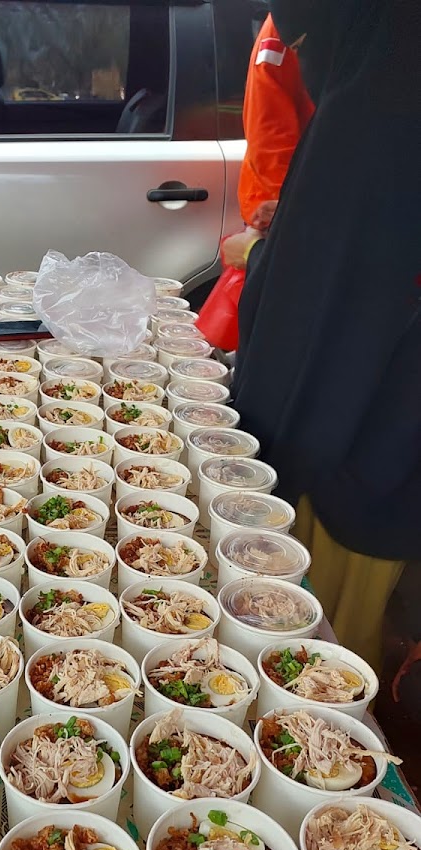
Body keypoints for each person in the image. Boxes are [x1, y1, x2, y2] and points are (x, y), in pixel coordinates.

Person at [224, 0, 421, 670]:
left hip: (356, 450)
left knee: (305, 658)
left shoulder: (378, 103)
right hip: (380, 447)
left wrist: (255, 256)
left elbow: (326, 296)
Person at [238, 14, 314, 232]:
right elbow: (269, 133)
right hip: (284, 206)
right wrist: (288, 208)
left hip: (308, 205)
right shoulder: (288, 20)